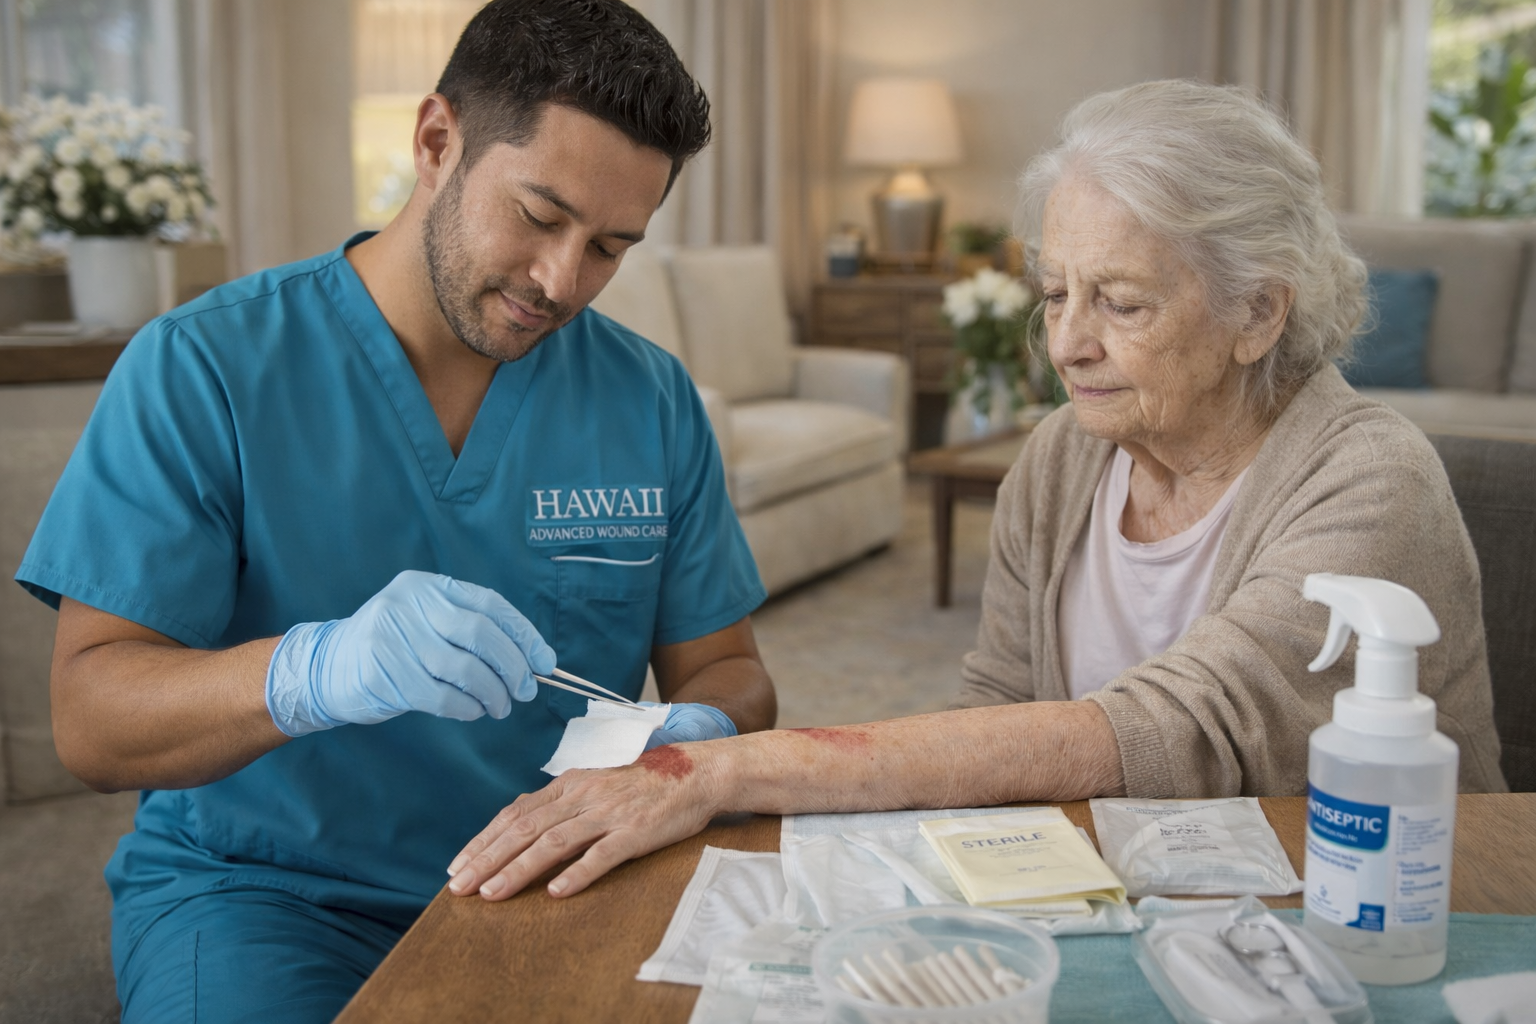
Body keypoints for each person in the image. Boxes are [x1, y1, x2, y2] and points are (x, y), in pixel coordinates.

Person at [442, 79, 1508, 907]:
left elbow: (1172, 730)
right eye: (1055, 293)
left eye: (1121, 303)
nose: (1068, 344)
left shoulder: (1370, 478)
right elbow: (998, 711)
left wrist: (720, 772)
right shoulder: (1060, 459)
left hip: (1379, 923)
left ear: (1258, 315)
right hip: (1134, 908)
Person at [16, 2, 776, 1020]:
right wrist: (313, 671)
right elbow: (93, 722)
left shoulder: (649, 398)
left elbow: (730, 670)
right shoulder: (205, 367)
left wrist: (699, 731)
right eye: (540, 217)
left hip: (562, 875)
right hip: (271, 896)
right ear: (434, 142)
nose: (562, 281)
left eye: (609, 247)